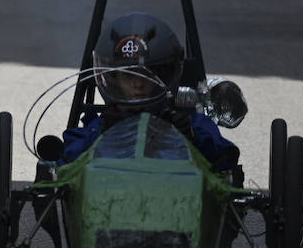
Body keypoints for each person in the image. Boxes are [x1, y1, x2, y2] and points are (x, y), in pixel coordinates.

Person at [59, 14, 238, 172]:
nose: (137, 84)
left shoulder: (192, 125)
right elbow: (66, 160)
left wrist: (191, 137)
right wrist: (102, 135)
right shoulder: (97, 127)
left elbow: (226, 159)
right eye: (128, 75)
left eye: (147, 75)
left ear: (166, 75)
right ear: (113, 78)